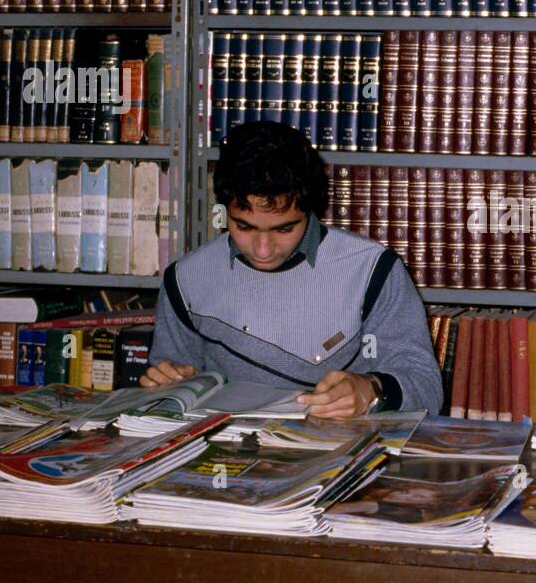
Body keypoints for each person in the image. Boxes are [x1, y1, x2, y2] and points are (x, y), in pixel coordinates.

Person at [143, 121, 443, 419]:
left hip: (339, 452)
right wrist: (170, 383)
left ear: (309, 209)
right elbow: (170, 390)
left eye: (284, 228)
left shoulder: (373, 270)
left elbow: (426, 386)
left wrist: (372, 390)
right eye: (243, 226)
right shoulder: (186, 279)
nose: (263, 249)